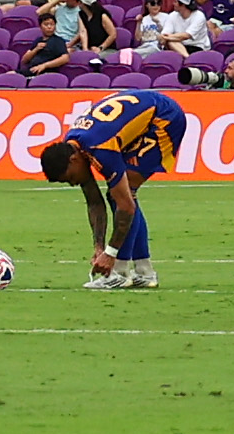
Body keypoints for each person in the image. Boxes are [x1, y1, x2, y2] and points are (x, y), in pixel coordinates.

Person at [34, 82, 182, 289]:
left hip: (164, 118)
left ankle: (119, 272)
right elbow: (94, 202)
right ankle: (144, 271)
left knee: (123, 195)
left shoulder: (100, 148)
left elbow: (127, 207)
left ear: (73, 161)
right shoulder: (74, 146)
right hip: (138, 115)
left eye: (69, 178)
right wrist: (98, 247)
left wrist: (110, 254)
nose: (72, 183)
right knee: (119, 194)